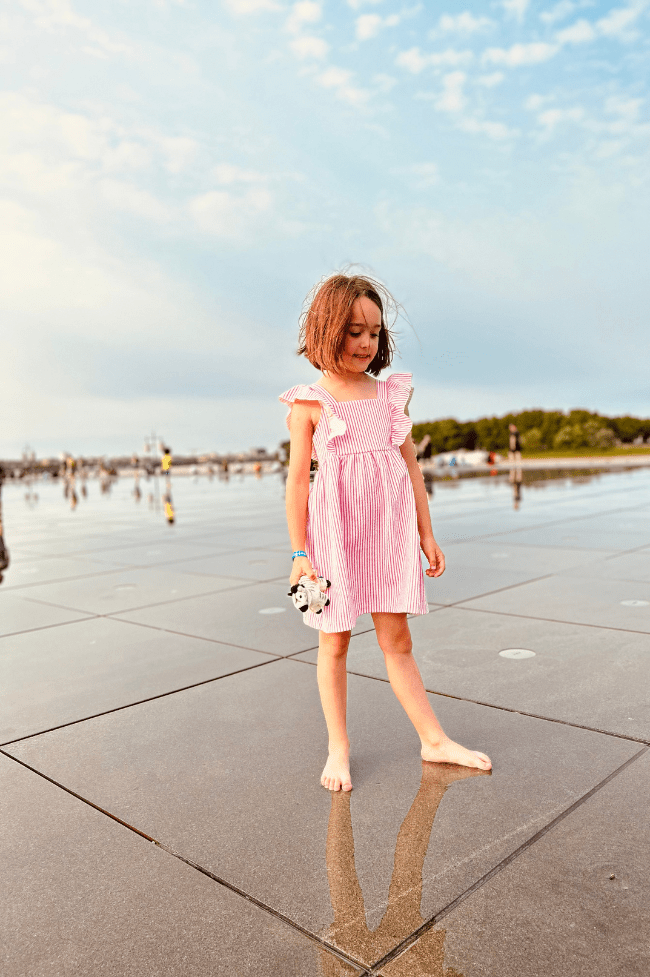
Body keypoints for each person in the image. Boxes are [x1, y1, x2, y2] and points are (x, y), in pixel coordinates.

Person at [280, 274, 491, 793]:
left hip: (389, 533)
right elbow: (296, 485)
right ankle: (339, 746)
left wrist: (426, 533)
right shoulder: (311, 403)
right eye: (354, 331)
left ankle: (433, 739)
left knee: (397, 638)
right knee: (335, 643)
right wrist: (299, 552)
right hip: (336, 537)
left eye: (373, 332)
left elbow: (411, 470)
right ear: (327, 330)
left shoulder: (390, 396)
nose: (365, 343)